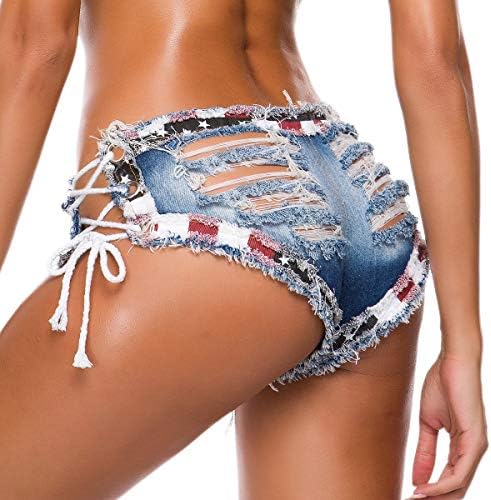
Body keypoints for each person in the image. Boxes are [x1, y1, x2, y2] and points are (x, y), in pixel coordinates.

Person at [0, 1, 487, 498]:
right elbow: (436, 61)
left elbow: (33, 44)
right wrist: (462, 348)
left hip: (198, 177)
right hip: (360, 204)